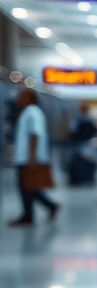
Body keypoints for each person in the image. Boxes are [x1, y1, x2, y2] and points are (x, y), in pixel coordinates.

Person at [7, 88, 59, 226]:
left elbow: (34, 134)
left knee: (27, 187)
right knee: (30, 187)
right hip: (26, 157)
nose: (18, 99)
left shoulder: (32, 113)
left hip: (28, 158)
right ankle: (49, 206)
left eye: (21, 96)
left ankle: (29, 216)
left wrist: (31, 157)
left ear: (29, 98)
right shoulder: (28, 112)